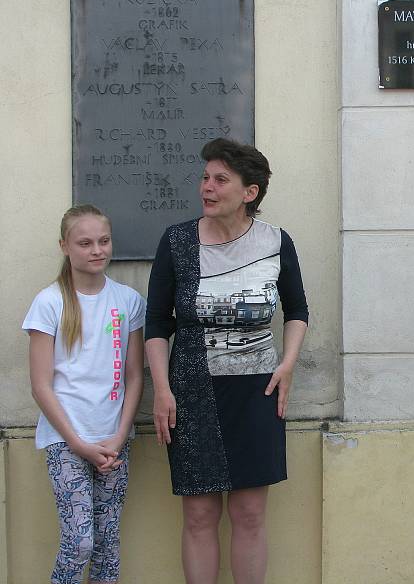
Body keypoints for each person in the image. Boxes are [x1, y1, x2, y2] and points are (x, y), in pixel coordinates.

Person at [145, 137, 309, 583]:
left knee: (250, 513)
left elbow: (297, 312)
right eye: (205, 177)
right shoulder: (178, 241)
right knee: (199, 514)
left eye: (220, 179)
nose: (207, 187)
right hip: (191, 389)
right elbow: (157, 322)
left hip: (258, 389)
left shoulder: (276, 242)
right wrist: (161, 389)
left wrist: (287, 364)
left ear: (249, 192)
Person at [22, 204, 145, 584]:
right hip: (66, 440)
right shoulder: (49, 302)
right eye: (85, 242)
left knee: (107, 543)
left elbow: (135, 376)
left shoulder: (128, 301)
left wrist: (120, 435)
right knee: (79, 542)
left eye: (103, 241)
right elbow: (41, 385)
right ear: (65, 246)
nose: (97, 250)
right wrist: (78, 443)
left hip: (113, 439)